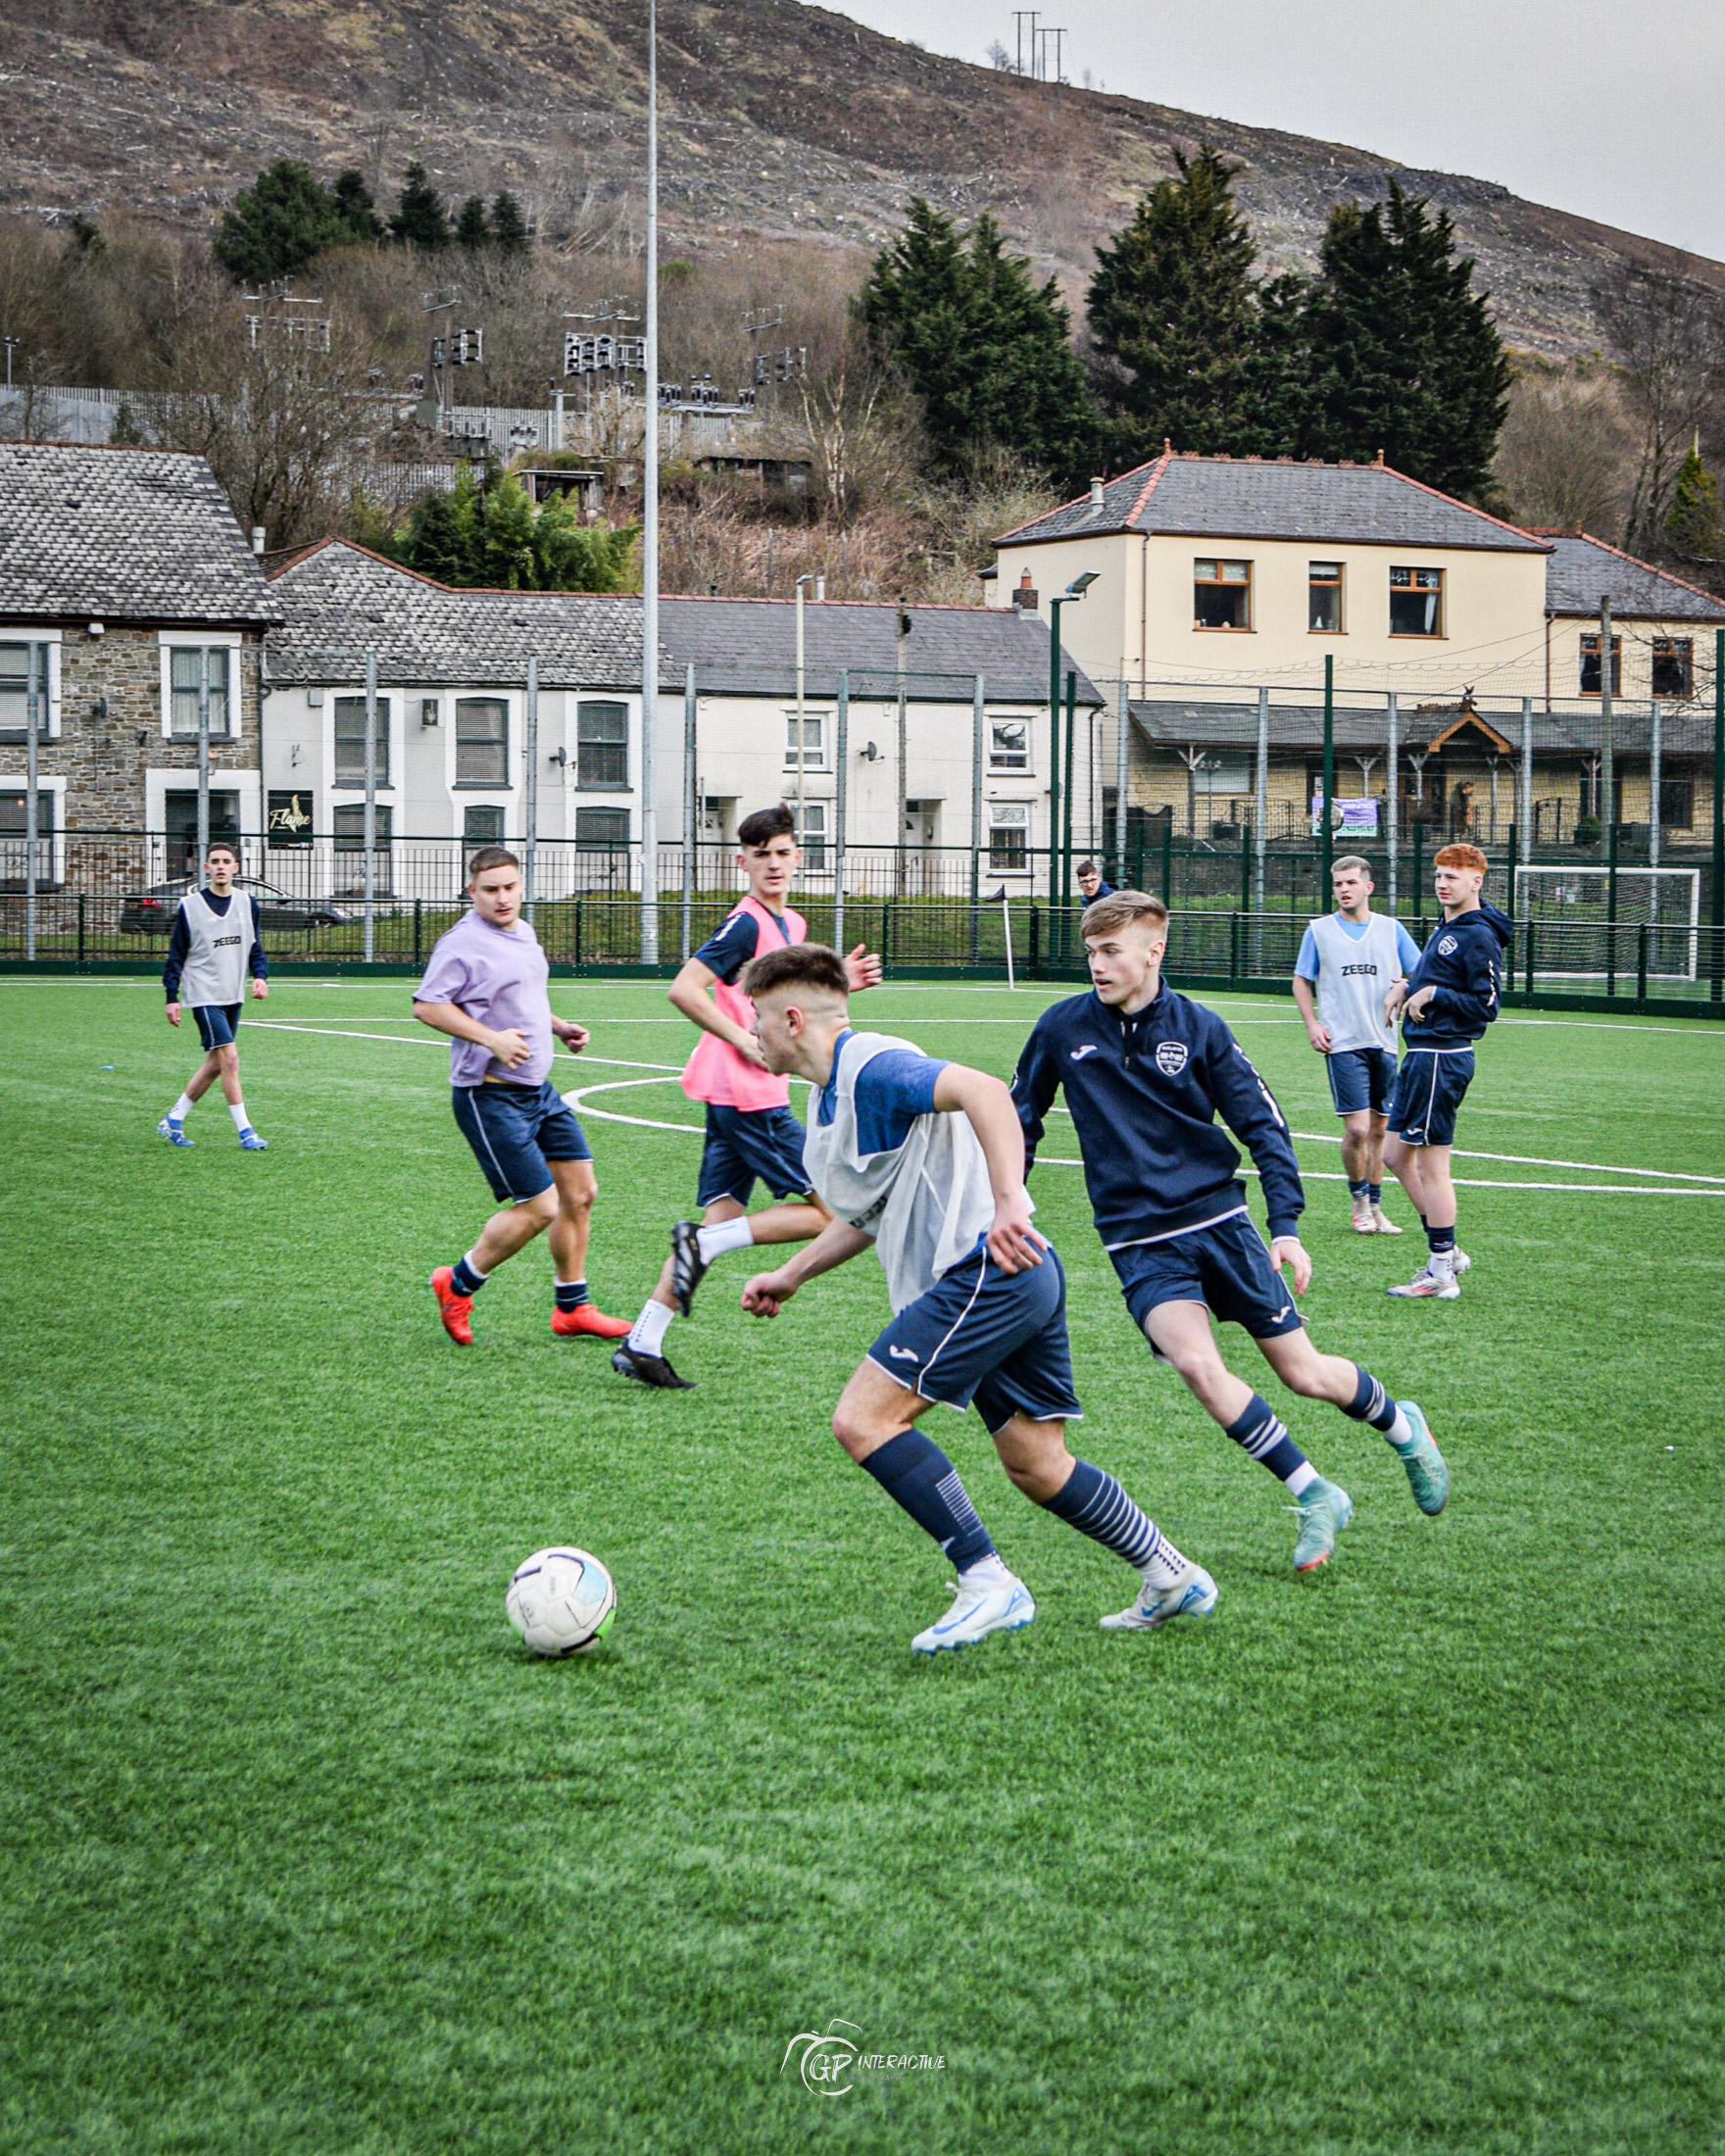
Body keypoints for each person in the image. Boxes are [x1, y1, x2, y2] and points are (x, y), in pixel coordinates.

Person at [736, 942, 1217, 1653]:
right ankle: (1172, 1575)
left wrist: (1009, 1200)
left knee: (864, 1421)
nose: (751, 1032)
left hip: (986, 1270)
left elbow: (986, 1091)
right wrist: (793, 1274)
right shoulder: (828, 1096)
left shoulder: (874, 1066)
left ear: (794, 1019)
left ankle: (988, 1582)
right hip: (1017, 1275)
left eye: (757, 1017)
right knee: (1038, 1464)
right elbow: (870, 1214)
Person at [1010, 890, 1449, 1574]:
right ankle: (1314, 1493)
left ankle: (1402, 1424)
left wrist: (1286, 1228)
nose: (1097, 965)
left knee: (1304, 1374)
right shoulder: (1062, 1028)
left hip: (1219, 1223)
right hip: (1137, 1240)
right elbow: (1019, 1122)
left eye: (1111, 951)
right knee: (1195, 1364)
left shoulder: (1200, 1027)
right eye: (1091, 952)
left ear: (1154, 951)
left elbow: (1264, 1129)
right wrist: (1003, 1203)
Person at [614, 803, 880, 1390]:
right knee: (830, 1213)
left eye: (783, 852)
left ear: (798, 857)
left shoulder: (793, 926)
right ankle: (699, 1245)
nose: (774, 864)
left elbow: (789, 1003)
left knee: (724, 1216)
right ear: (744, 863)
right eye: (761, 856)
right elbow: (685, 989)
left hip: (734, 1093)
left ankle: (643, 1341)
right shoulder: (746, 923)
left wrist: (840, 982)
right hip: (747, 1093)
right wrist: (741, 1037)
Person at [413, 846, 630, 1346]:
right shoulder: (461, 943)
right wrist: (490, 1039)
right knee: (540, 1207)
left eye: (510, 887)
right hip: (489, 1095)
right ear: (472, 892)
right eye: (490, 890)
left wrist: (557, 1027)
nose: (502, 898)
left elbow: (522, 996)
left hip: (539, 1091)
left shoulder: (523, 932)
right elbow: (427, 1007)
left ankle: (572, 1307)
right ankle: (457, 1284)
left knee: (580, 1193)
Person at [1382, 843, 1514, 1300]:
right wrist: (1408, 985)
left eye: (1452, 877)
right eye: (1439, 875)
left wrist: (1434, 993)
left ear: (1476, 882)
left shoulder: (1478, 934)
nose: (1442, 884)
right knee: (1394, 1156)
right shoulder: (1448, 924)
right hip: (1422, 1056)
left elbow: (1486, 1005)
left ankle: (1441, 1272)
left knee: (1433, 1167)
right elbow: (1440, 979)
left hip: (1443, 1057)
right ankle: (1449, 1250)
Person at [1292, 855, 1421, 1234]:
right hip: (1343, 1042)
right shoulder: (1318, 931)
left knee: (1381, 1131)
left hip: (1384, 1040)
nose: (1343, 890)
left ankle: (1377, 1209)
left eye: (1350, 882)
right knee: (1359, 1130)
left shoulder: (1391, 929)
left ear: (1368, 887)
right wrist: (1312, 1023)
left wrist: (1404, 986)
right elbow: (1302, 980)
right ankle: (1359, 1202)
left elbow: (1420, 971)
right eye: (1337, 884)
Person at [158, 840, 270, 1150]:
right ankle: (246, 1131)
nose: (220, 866)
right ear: (206, 868)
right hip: (203, 994)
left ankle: (174, 1119)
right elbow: (176, 956)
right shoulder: (190, 907)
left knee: (216, 1064)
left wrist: (260, 976)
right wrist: (172, 996)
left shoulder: (248, 903)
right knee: (230, 1059)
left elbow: (255, 947)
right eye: (214, 861)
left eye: (226, 861)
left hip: (232, 993)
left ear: (236, 867)